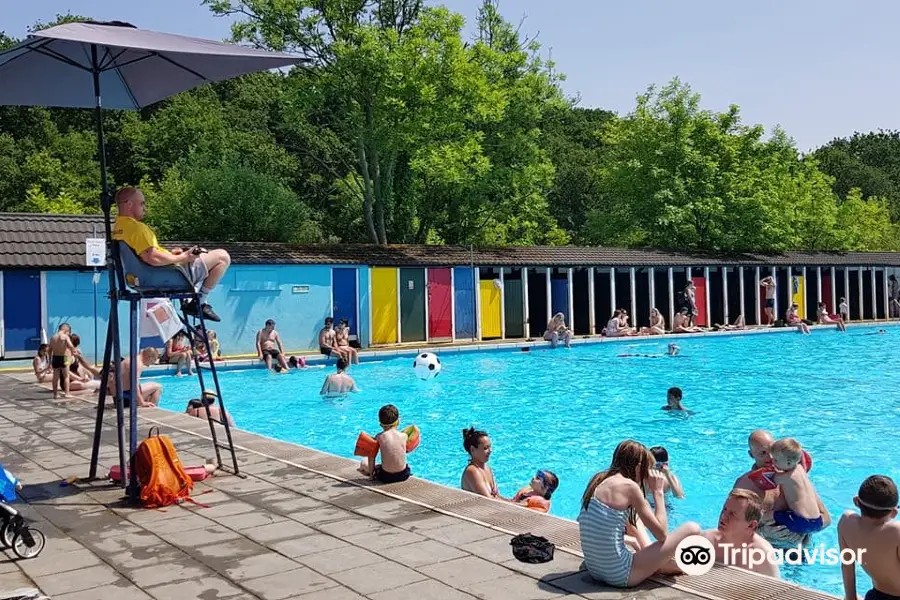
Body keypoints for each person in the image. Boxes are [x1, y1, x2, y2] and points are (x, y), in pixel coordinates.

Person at [577, 440, 701, 588]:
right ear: (638, 467)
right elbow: (662, 535)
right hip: (620, 574)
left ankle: (657, 561)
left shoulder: (597, 480)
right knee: (693, 528)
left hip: (595, 569)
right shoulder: (630, 487)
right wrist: (658, 492)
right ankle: (663, 564)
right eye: (646, 469)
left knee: (634, 514)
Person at [112, 186, 231, 322]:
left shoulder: (118, 228)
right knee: (222, 257)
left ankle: (193, 296)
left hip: (142, 277)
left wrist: (171, 255)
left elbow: (146, 255)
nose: (145, 208)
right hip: (165, 275)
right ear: (129, 204)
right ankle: (199, 302)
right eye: (142, 203)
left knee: (204, 254)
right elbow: (152, 257)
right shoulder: (137, 228)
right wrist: (183, 257)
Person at [839, 475, 900, 600]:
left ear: (856, 501)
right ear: (894, 513)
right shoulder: (896, 532)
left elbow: (847, 565)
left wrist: (851, 597)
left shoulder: (846, 522)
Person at [701, 489, 780, 578]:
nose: (723, 516)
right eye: (724, 510)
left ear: (751, 525)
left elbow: (775, 589)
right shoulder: (706, 541)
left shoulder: (761, 553)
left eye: (732, 514)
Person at [769, 438, 825, 535]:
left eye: (776, 460)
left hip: (800, 522)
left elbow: (771, 479)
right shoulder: (800, 469)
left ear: (789, 463)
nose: (772, 461)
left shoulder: (788, 477)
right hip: (818, 521)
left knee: (769, 516)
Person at [357, 404, 411, 483]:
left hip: (386, 477)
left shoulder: (379, 437)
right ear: (398, 421)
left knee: (363, 462)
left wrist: (371, 475)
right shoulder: (404, 436)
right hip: (403, 475)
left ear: (380, 424)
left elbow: (371, 456)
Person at [461, 427, 506, 500]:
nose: (490, 451)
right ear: (472, 449)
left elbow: (497, 497)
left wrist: (518, 503)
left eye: (490, 447)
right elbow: (489, 501)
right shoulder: (472, 471)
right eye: (485, 448)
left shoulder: (487, 467)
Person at [49, 323, 76, 399]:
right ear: (66, 329)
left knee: (55, 377)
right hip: (65, 358)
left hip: (55, 358)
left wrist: (50, 361)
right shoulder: (65, 336)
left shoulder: (53, 337)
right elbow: (71, 346)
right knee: (66, 376)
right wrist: (74, 351)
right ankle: (67, 393)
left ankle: (55, 394)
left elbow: (49, 350)